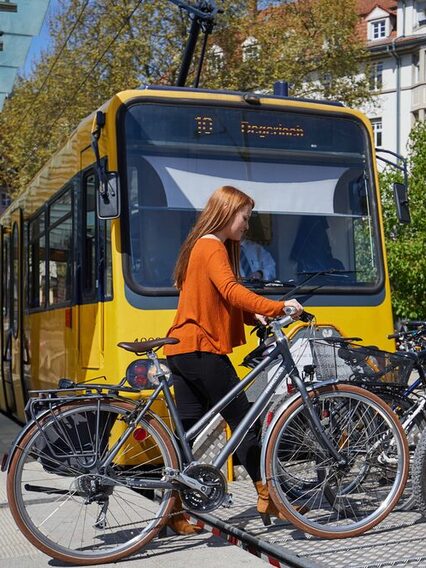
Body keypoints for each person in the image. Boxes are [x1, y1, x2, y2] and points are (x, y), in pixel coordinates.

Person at [164, 185, 303, 534]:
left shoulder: (201, 245)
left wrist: (250, 317)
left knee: (187, 435)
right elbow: (230, 290)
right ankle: (268, 495)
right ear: (228, 213)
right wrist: (278, 306)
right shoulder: (211, 245)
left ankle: (174, 511)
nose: (247, 225)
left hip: (181, 351)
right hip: (202, 349)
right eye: (245, 217)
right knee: (244, 423)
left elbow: (212, 300)